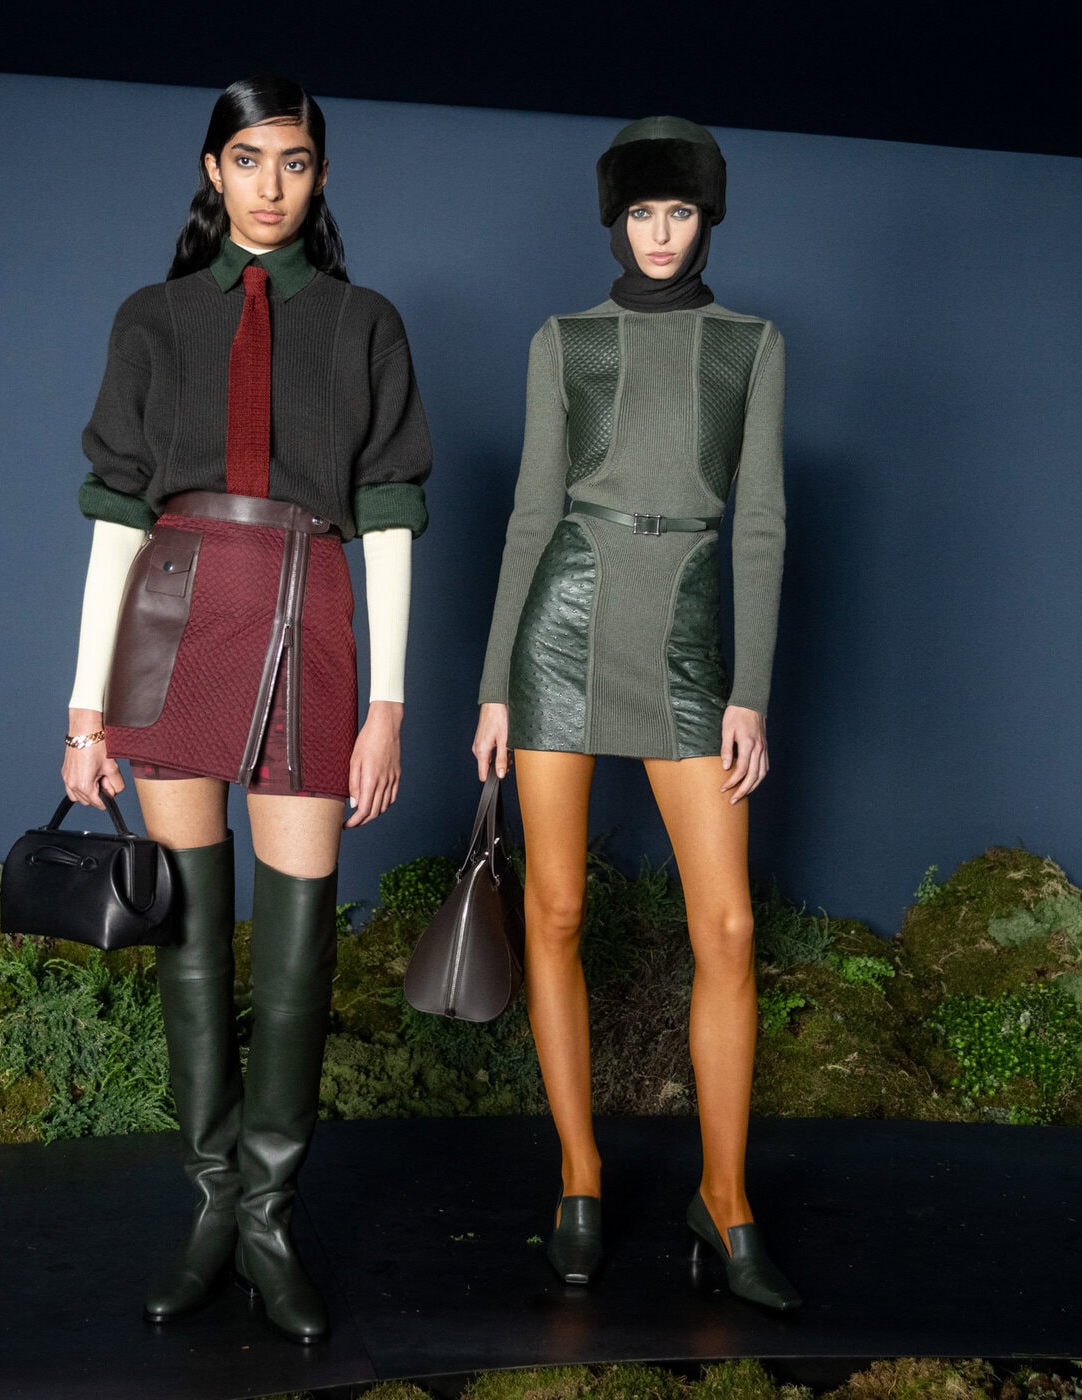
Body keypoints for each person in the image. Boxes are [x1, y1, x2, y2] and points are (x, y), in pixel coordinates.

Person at [61, 74, 430, 1345]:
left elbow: (390, 515)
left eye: (297, 161)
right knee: (189, 935)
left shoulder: (366, 322)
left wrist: (388, 703)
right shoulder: (153, 317)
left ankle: (270, 1215)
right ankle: (212, 1203)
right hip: (172, 620)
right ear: (213, 170)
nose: (273, 185)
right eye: (250, 159)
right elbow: (116, 520)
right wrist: (84, 706)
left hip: (308, 614)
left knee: (297, 949)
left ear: (321, 176)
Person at [470, 116, 798, 1312]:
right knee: (553, 910)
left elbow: (760, 520)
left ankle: (727, 1196)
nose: (661, 233)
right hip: (562, 623)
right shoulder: (565, 340)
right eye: (643, 212)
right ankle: (579, 1174)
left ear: (708, 217)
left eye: (681, 211)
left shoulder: (752, 344)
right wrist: (495, 682)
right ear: (617, 218)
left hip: (688, 635)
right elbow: (529, 508)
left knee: (729, 928)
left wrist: (749, 688)